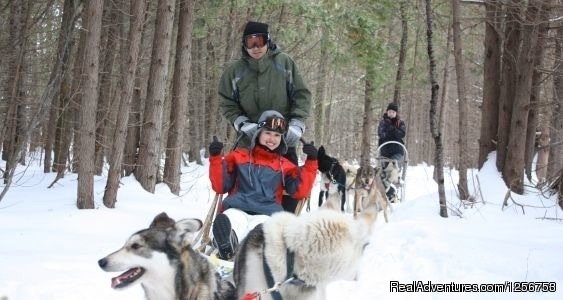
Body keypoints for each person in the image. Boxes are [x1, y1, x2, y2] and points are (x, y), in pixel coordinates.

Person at [218, 21, 312, 213]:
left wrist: (297, 123)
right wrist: (241, 123)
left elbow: (301, 95)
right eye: (250, 42)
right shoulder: (235, 71)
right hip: (249, 141)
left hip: (282, 140)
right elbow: (226, 101)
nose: (255, 47)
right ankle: (234, 228)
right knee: (243, 187)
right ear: (243, 44)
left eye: (259, 41)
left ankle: (283, 231)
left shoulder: (284, 63)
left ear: (268, 40)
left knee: (290, 188)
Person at [208, 110, 318, 260]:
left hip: (267, 214)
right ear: (258, 133)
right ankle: (227, 244)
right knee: (231, 220)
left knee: (264, 228)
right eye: (268, 133)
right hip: (237, 208)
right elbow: (220, 186)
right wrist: (215, 158)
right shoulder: (239, 156)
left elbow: (300, 191)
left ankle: (254, 247)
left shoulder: (285, 166)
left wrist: (311, 162)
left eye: (277, 135)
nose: (272, 139)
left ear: (282, 139)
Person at [377, 102, 406, 201]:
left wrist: (392, 129)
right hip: (385, 151)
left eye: (393, 112)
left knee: (393, 168)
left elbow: (401, 134)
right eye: (389, 111)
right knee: (385, 172)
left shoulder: (400, 123)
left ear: (396, 113)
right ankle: (388, 192)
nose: (391, 113)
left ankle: (394, 187)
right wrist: (390, 131)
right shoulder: (382, 122)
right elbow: (381, 134)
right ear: (387, 112)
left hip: (397, 150)